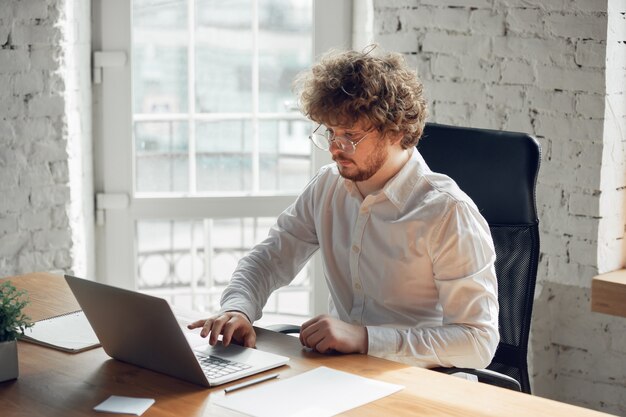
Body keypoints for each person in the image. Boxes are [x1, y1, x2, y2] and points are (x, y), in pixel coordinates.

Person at [189, 47, 499, 369]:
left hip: (419, 382)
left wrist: (365, 339)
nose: (336, 149)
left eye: (350, 135)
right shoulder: (328, 186)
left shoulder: (447, 213)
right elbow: (268, 259)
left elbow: (478, 342)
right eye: (331, 133)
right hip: (339, 372)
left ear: (395, 130)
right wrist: (239, 309)